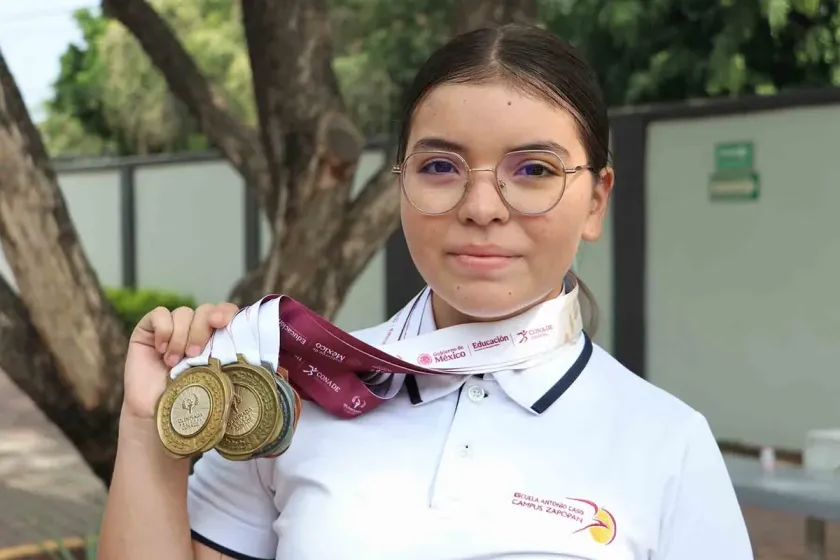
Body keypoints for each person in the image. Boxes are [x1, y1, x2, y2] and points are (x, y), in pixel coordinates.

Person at [97, 24, 753, 560]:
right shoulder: (298, 392)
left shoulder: (667, 445)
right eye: (441, 166)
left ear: (596, 200)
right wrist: (146, 428)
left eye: (534, 170)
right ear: (401, 184)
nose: (481, 206)